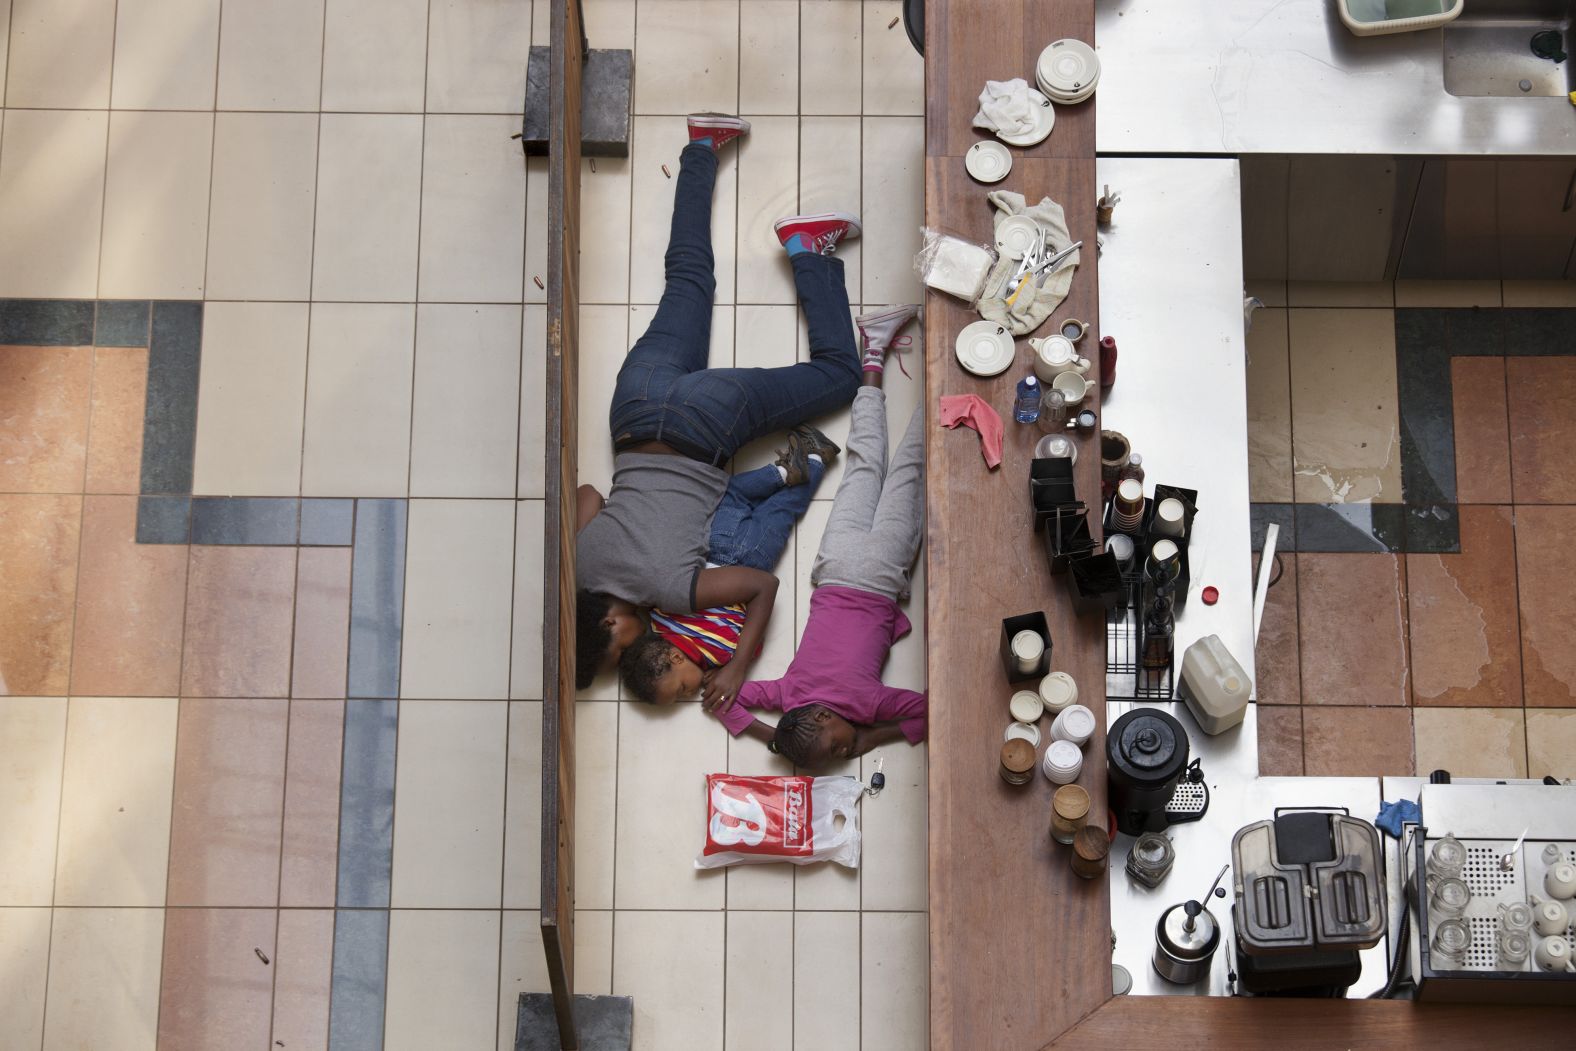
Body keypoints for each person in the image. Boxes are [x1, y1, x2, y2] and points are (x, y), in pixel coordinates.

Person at [575, 112, 865, 707]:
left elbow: (761, 585)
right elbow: (586, 495)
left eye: (619, 647)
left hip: (708, 424)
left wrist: (735, 664)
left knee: (840, 376)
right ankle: (702, 144)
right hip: (634, 408)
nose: (632, 647)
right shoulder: (578, 566)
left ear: (608, 624)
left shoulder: (667, 594)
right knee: (688, 278)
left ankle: (809, 249)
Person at [710, 351, 927, 769]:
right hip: (835, 562)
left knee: (909, 472)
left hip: (880, 573)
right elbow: (723, 702)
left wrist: (877, 735)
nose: (846, 752)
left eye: (836, 748)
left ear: (826, 717)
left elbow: (929, 710)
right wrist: (777, 739)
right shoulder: (786, 694)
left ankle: (941, 392)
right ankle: (873, 360)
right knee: (864, 466)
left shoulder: (868, 706)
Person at [619, 424, 838, 706]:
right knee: (732, 494)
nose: (690, 694)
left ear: (676, 658)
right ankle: (781, 473)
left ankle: (816, 458)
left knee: (783, 508)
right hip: (710, 544)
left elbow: (753, 638)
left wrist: (734, 667)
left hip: (753, 559)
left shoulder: (720, 653)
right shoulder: (659, 623)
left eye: (682, 688)